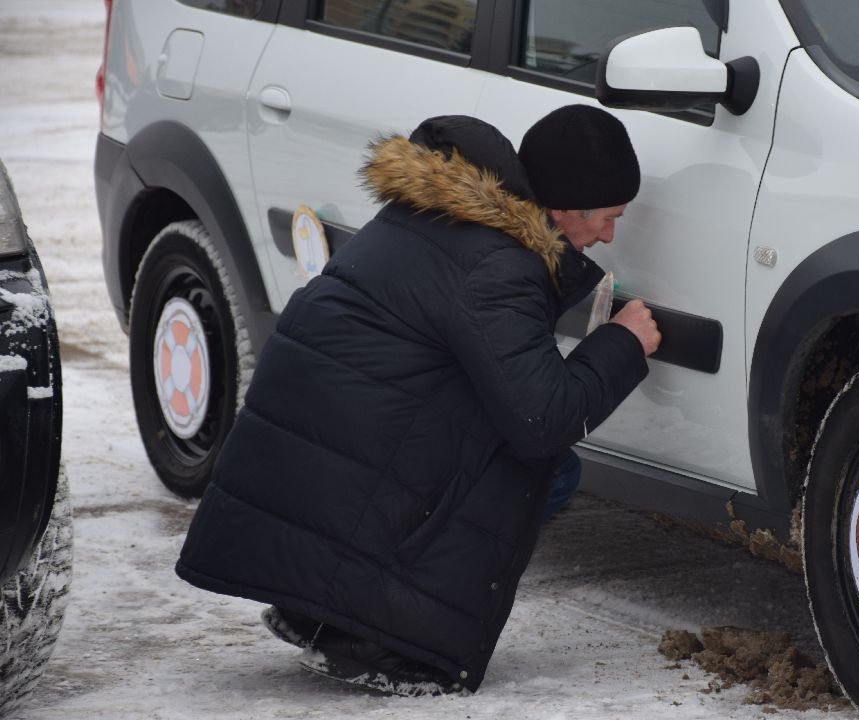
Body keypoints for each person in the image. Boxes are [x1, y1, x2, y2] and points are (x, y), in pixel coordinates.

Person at [175, 104, 660, 696]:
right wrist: (622, 345)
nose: (610, 236)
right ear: (563, 209)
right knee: (544, 468)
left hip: (305, 448)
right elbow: (542, 418)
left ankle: (316, 608)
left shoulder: (438, 217)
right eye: (609, 218)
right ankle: (378, 635)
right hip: (344, 452)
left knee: (478, 449)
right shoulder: (500, 264)